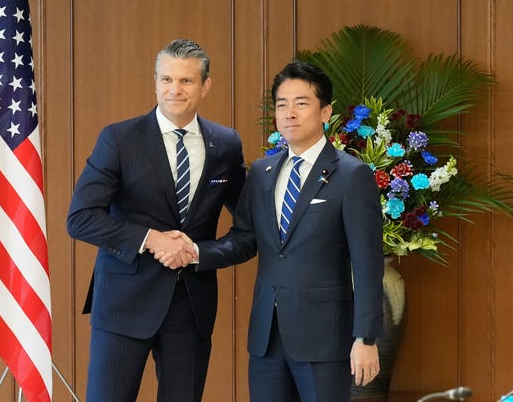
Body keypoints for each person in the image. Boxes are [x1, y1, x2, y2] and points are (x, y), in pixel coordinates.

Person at [164, 60, 384, 402]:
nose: (289, 113)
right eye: (282, 104)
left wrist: (366, 338)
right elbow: (245, 239)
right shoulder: (263, 172)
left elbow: (368, 263)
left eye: (301, 103)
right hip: (267, 338)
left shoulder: (351, 175)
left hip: (324, 338)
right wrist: (195, 252)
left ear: (325, 112)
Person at [67, 38, 246, 402]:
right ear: (155, 81)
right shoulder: (119, 139)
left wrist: (198, 252)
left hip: (190, 307)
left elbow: (248, 233)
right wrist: (151, 239)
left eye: (186, 81)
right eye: (166, 80)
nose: (174, 90)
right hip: (122, 305)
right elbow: (81, 218)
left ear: (205, 85)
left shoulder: (226, 144)